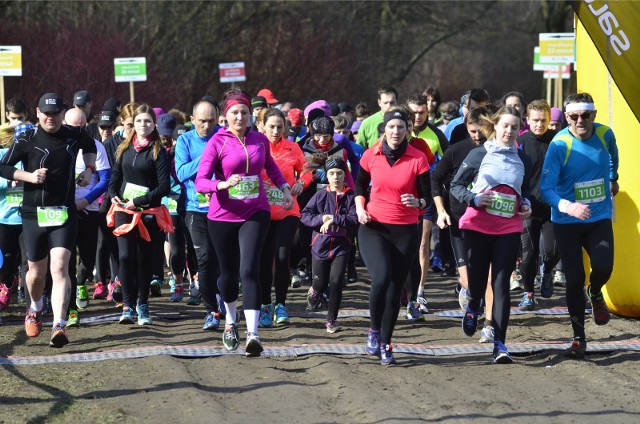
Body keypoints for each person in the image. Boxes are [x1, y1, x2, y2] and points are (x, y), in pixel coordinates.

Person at [194, 89, 294, 357]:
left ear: (251, 116)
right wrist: (222, 184)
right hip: (223, 215)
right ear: (225, 116)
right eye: (235, 113)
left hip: (255, 212)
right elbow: (200, 181)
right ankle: (229, 321)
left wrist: (284, 186)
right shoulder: (218, 142)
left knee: (249, 269)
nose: (240, 117)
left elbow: (269, 166)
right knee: (228, 274)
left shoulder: (259, 140)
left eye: (244, 113)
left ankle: (253, 333)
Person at [0, 93, 96, 348]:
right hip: (33, 214)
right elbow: (3, 167)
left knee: (60, 267)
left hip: (63, 212)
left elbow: (91, 147)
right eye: (46, 113)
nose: (50, 118)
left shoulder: (73, 135)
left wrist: (89, 170)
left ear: (62, 114)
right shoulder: (27, 138)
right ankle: (35, 306)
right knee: (35, 274)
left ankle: (59, 325)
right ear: (37, 112)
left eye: (55, 113)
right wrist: (28, 176)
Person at [450, 106, 532, 364]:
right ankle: (473, 305)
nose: (509, 131)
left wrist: (526, 204)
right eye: (505, 125)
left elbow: (525, 190)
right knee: (475, 285)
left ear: (520, 129)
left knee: (501, 285)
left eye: (514, 127)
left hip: (508, 228)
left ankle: (500, 344)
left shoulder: (522, 159)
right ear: (495, 126)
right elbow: (456, 185)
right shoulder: (478, 154)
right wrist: (474, 199)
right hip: (477, 225)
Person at [540, 92, 619, 359]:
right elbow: (546, 188)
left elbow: (612, 158)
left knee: (604, 267)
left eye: (586, 116)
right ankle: (578, 337)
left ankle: (595, 292)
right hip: (566, 222)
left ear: (594, 115)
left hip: (598, 218)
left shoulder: (605, 134)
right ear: (567, 117)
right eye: (573, 116)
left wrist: (613, 178)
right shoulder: (559, 144)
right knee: (574, 278)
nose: (580, 121)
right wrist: (568, 206)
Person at [356, 109, 431, 365]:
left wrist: (417, 201)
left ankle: (387, 342)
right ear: (384, 129)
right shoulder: (371, 154)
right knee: (382, 276)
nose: (396, 132)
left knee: (396, 288)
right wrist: (359, 208)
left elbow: (427, 197)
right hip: (373, 226)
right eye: (391, 127)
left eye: (401, 128)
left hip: (405, 229)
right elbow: (359, 186)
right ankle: (373, 331)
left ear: (407, 130)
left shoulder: (418, 158)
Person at [431, 107, 493, 341]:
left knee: (488, 276)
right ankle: (471, 299)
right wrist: (440, 211)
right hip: (459, 220)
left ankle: (488, 322)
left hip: (488, 221)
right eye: (472, 131)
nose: (477, 136)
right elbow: (436, 178)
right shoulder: (457, 150)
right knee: (468, 277)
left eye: (481, 131)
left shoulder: (496, 151)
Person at [107, 104, 172, 326]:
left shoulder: (158, 151)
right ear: (132, 124)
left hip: (148, 211)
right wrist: (114, 194)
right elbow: (114, 178)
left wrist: (140, 201)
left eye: (147, 121)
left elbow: (164, 186)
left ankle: (142, 304)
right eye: (139, 121)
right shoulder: (124, 148)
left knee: (144, 260)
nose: (143, 125)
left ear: (154, 124)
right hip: (124, 210)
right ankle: (127, 305)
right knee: (125, 256)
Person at [258, 108, 312, 327]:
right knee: (263, 260)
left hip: (287, 210)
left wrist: (301, 182)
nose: (276, 130)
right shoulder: (255, 146)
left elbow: (308, 170)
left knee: (281, 258)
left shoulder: (293, 147)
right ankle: (264, 305)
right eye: (271, 126)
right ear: (262, 126)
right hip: (261, 211)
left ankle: (280, 305)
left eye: (280, 126)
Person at [175, 100, 224, 329]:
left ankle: (223, 297)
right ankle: (211, 311)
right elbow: (182, 172)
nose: (206, 125)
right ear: (192, 120)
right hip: (195, 208)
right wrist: (208, 155)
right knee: (204, 259)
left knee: (222, 260)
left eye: (210, 120)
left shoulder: (225, 136)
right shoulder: (185, 140)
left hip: (224, 207)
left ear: (217, 119)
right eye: (201, 121)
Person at [64, 108, 111, 327]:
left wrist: (86, 200)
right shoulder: (59, 144)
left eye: (81, 126)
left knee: (88, 258)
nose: (77, 130)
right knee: (66, 261)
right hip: (63, 210)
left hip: (89, 208)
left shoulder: (96, 146)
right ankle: (70, 307)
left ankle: (82, 281)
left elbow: (104, 180)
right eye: (72, 126)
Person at [301, 157, 357, 333]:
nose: (336, 177)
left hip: (342, 246)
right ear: (327, 175)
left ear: (344, 175)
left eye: (339, 173)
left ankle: (331, 320)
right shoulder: (320, 195)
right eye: (332, 173)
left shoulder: (351, 196)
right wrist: (321, 218)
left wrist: (335, 219)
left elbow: (355, 218)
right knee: (320, 283)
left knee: (336, 282)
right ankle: (314, 292)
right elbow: (305, 215)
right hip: (320, 246)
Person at [515, 99, 560, 310]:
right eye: (535, 120)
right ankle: (528, 293)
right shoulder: (520, 141)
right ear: (527, 119)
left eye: (543, 120)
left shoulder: (558, 141)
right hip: (528, 207)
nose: (539, 124)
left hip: (553, 207)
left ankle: (548, 272)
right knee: (528, 254)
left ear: (549, 120)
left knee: (551, 251)